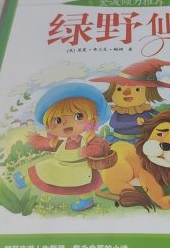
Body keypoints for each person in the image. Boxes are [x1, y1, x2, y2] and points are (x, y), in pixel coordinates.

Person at [28, 83, 111, 212]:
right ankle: (25, 180)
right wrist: (37, 141)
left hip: (81, 168)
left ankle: (86, 200)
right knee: (43, 167)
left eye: (78, 116)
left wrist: (88, 150)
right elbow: (50, 145)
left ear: (92, 120)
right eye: (58, 121)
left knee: (84, 185)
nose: (66, 124)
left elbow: (100, 147)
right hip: (61, 165)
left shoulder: (87, 139)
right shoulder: (62, 142)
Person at [90, 58, 170, 144]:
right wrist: (135, 122)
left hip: (143, 140)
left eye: (137, 89)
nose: (126, 93)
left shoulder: (146, 110)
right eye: (119, 89)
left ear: (148, 92)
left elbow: (158, 116)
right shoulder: (120, 112)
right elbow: (114, 124)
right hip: (122, 141)